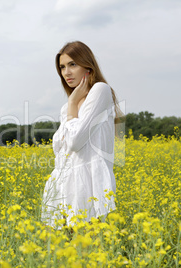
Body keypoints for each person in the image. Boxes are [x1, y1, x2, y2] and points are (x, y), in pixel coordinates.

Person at [41, 41, 123, 228]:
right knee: (60, 253)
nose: (66, 73)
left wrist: (72, 105)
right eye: (62, 67)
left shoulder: (100, 91)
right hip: (62, 183)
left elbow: (75, 142)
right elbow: (59, 150)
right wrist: (71, 105)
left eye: (72, 64)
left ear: (88, 65)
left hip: (88, 183)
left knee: (86, 250)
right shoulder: (68, 106)